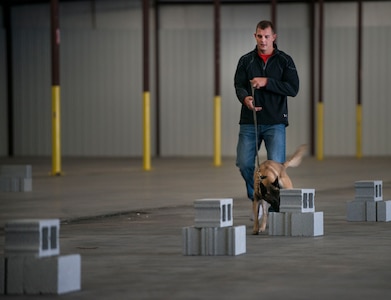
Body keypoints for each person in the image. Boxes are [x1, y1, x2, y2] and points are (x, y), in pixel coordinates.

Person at [234, 20, 299, 212]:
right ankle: (256, 196)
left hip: (275, 122)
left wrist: (267, 82)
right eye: (259, 36)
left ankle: (274, 207)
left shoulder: (284, 61)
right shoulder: (246, 60)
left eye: (267, 36)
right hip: (249, 122)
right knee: (244, 163)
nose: (263, 40)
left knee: (276, 170)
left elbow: (293, 89)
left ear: (274, 37)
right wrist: (245, 98)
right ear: (255, 36)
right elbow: (238, 85)